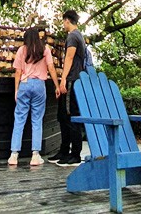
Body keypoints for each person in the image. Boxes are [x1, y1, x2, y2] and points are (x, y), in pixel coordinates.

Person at [8, 27, 60, 166]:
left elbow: (18, 72)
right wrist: (56, 85)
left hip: (24, 84)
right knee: (37, 120)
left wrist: (16, 90)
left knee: (19, 119)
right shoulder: (45, 50)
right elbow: (51, 68)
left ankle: (14, 155)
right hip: (39, 85)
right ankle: (35, 155)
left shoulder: (22, 50)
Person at [52, 9, 86, 166]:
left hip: (72, 79)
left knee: (70, 115)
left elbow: (70, 58)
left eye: (63, 21)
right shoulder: (79, 35)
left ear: (67, 20)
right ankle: (64, 151)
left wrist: (63, 79)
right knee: (63, 116)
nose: (63, 25)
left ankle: (75, 154)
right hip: (73, 79)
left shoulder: (73, 36)